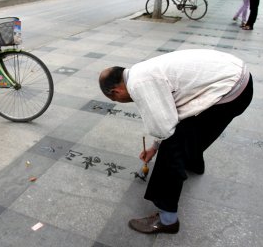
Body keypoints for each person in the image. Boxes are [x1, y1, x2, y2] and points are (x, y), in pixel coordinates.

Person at [98, 49, 253, 234]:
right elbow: (172, 113)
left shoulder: (139, 84)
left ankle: (167, 219)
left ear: (115, 91)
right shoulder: (139, 71)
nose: (122, 101)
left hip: (229, 89)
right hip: (240, 79)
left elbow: (165, 128)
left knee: (173, 148)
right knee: (190, 131)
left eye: (116, 99)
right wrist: (154, 146)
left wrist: (157, 148)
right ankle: (193, 163)